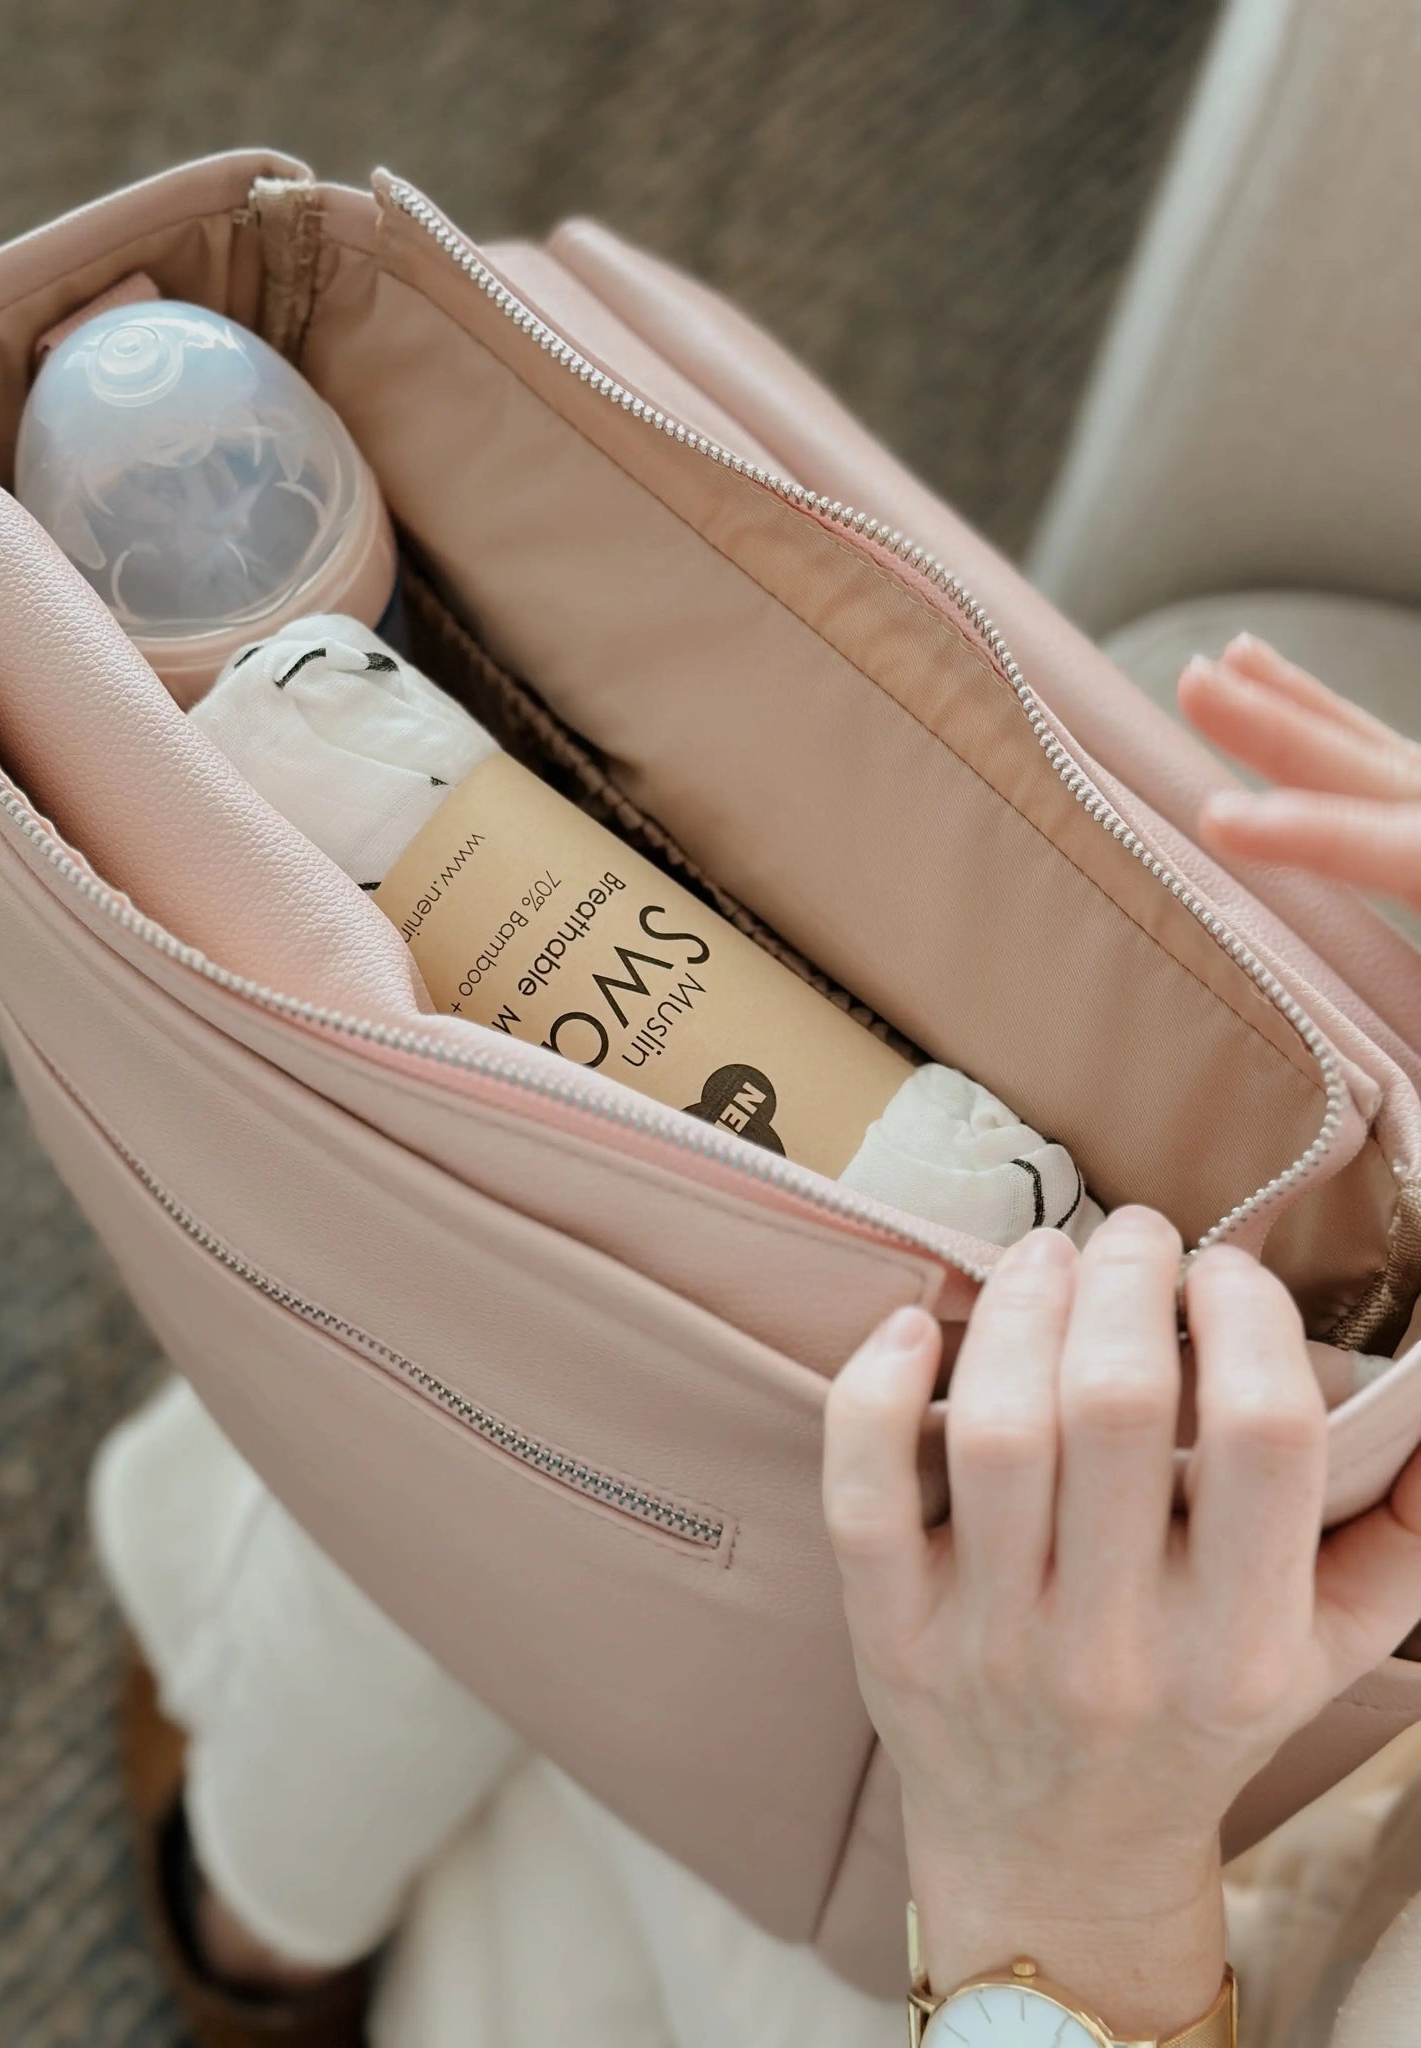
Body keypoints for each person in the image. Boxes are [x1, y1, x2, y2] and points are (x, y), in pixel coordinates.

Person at [95, 638, 1421, 2047]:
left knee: (554, 1389)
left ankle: (258, 1922)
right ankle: (280, 1871)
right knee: (596, 1355)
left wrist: (1068, 1881)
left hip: (1058, 1930)